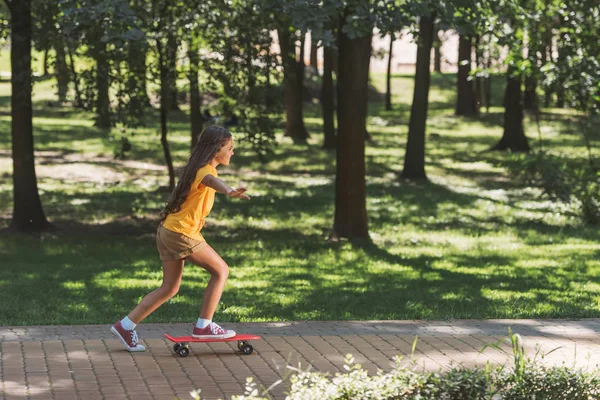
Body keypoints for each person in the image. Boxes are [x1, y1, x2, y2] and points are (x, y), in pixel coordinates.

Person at [111, 125, 250, 352]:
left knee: (169, 288)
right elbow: (212, 182)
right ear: (217, 149)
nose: (232, 152)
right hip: (181, 233)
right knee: (221, 270)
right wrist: (229, 190)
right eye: (230, 147)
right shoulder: (206, 171)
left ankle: (126, 326)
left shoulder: (197, 168)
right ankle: (204, 326)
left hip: (168, 230)